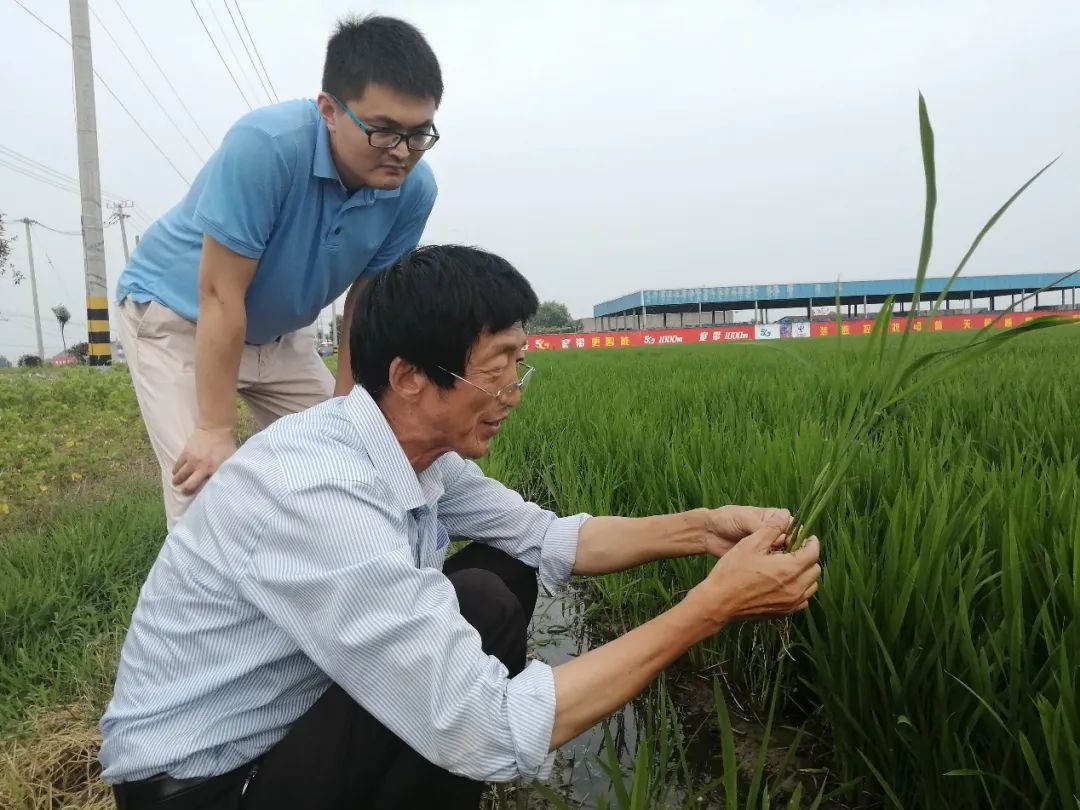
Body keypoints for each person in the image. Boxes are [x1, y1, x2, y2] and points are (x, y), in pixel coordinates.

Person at [99, 245, 822, 810]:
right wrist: (712, 606)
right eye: (497, 368)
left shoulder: (412, 452)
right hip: (210, 788)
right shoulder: (318, 493)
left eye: (519, 364)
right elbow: (493, 728)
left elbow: (548, 538)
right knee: (471, 654)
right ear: (412, 376)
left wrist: (702, 530)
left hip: (286, 729)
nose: (513, 393)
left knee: (497, 578)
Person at [114, 15, 442, 529]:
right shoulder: (267, 146)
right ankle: (204, 603)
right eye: (383, 132)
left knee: (353, 461)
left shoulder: (413, 191)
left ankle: (327, 587)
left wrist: (347, 405)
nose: (402, 153)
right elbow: (220, 294)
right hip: (181, 320)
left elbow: (366, 306)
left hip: (280, 338)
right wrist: (216, 427)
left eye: (418, 133)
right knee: (204, 493)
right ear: (329, 110)